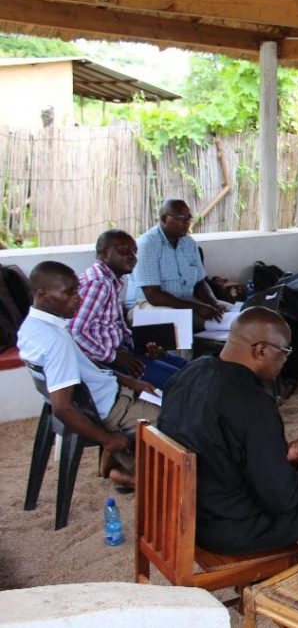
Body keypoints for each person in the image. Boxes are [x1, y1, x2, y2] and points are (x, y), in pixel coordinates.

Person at [158, 307, 298, 555]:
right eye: (284, 352)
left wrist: (278, 459)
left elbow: (219, 447)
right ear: (261, 350)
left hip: (188, 513)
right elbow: (285, 498)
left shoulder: (190, 372)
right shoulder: (254, 403)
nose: (285, 360)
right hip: (233, 528)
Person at [18, 261, 157, 490]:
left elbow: (87, 366)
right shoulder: (56, 341)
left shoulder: (32, 327)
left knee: (166, 404)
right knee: (179, 420)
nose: (78, 298)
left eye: (77, 290)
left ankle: (123, 463)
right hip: (113, 409)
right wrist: (107, 440)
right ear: (42, 294)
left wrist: (129, 380)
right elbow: (62, 408)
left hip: (108, 394)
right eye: (69, 292)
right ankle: (127, 474)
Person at [69, 230, 187, 388]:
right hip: (104, 363)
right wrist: (114, 357)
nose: (132, 257)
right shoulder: (97, 283)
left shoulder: (111, 281)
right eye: (124, 251)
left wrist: (141, 345)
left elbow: (116, 326)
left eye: (134, 252)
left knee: (188, 369)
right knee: (181, 382)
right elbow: (75, 332)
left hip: (121, 352)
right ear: (104, 253)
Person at [125, 199, 227, 332]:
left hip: (185, 301)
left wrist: (214, 303)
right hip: (145, 306)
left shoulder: (189, 243)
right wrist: (197, 307)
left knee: (238, 315)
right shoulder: (147, 245)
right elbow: (153, 296)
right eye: (181, 218)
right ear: (164, 219)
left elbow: (200, 283)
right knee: (181, 322)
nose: (187, 223)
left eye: (189, 218)